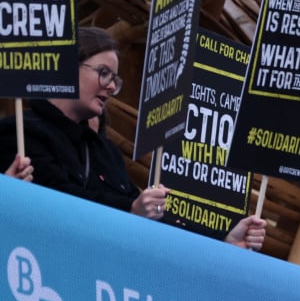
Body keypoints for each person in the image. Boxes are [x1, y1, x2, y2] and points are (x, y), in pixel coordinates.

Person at [0, 27, 265, 250]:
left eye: (115, 79)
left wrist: (224, 240)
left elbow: (158, 224)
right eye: (103, 73)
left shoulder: (107, 152)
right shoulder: (20, 134)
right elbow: (61, 200)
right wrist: (130, 211)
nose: (112, 86)